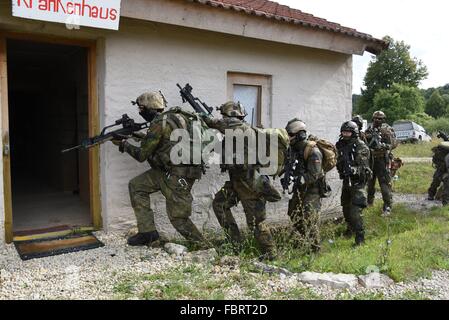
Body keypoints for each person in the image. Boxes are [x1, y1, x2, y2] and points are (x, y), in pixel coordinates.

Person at [112, 92, 205, 246]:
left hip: (177, 175)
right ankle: (147, 233)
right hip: (169, 171)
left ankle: (204, 246)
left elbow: (142, 155)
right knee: (137, 186)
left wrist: (123, 145)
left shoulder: (158, 123)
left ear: (150, 108)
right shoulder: (176, 117)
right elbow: (167, 141)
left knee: (178, 218)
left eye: (142, 108)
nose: (140, 112)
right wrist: (140, 136)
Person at [202, 101, 281, 260]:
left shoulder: (239, 127)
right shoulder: (236, 132)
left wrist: (200, 115)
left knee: (256, 221)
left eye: (225, 116)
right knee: (220, 204)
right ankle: (234, 241)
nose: (223, 118)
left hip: (250, 183)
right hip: (236, 181)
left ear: (231, 116)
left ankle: (270, 253)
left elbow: (214, 122)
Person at [284, 118, 324, 252]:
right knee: (294, 214)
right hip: (299, 188)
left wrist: (299, 179)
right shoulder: (294, 149)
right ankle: (300, 242)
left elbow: (315, 174)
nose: (289, 138)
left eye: (291, 135)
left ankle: (315, 249)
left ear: (300, 135)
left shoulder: (313, 151)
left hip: (313, 189)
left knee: (309, 218)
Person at [336, 121, 371, 246]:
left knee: (355, 211)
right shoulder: (340, 145)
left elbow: (364, 167)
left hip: (358, 183)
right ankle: (349, 230)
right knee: (346, 208)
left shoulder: (361, 146)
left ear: (354, 133)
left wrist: (353, 169)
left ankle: (360, 238)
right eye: (344, 132)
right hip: (346, 182)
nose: (345, 134)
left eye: (348, 132)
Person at [365, 111, 397, 216]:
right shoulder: (368, 130)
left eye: (380, 118)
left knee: (384, 184)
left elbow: (393, 144)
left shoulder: (387, 131)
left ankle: (387, 206)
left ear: (384, 120)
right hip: (370, 160)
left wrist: (384, 146)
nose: (377, 120)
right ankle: (369, 202)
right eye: (376, 118)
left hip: (382, 160)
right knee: (370, 183)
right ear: (372, 118)